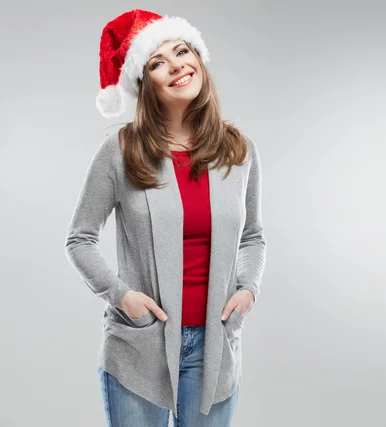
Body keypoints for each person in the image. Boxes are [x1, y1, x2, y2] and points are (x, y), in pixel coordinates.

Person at [64, 9, 267, 427]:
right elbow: (79, 239)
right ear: (144, 83)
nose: (176, 64)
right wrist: (120, 296)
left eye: (182, 50)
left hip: (215, 345)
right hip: (140, 344)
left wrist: (248, 289)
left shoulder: (238, 150)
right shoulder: (120, 151)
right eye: (157, 62)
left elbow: (252, 235)